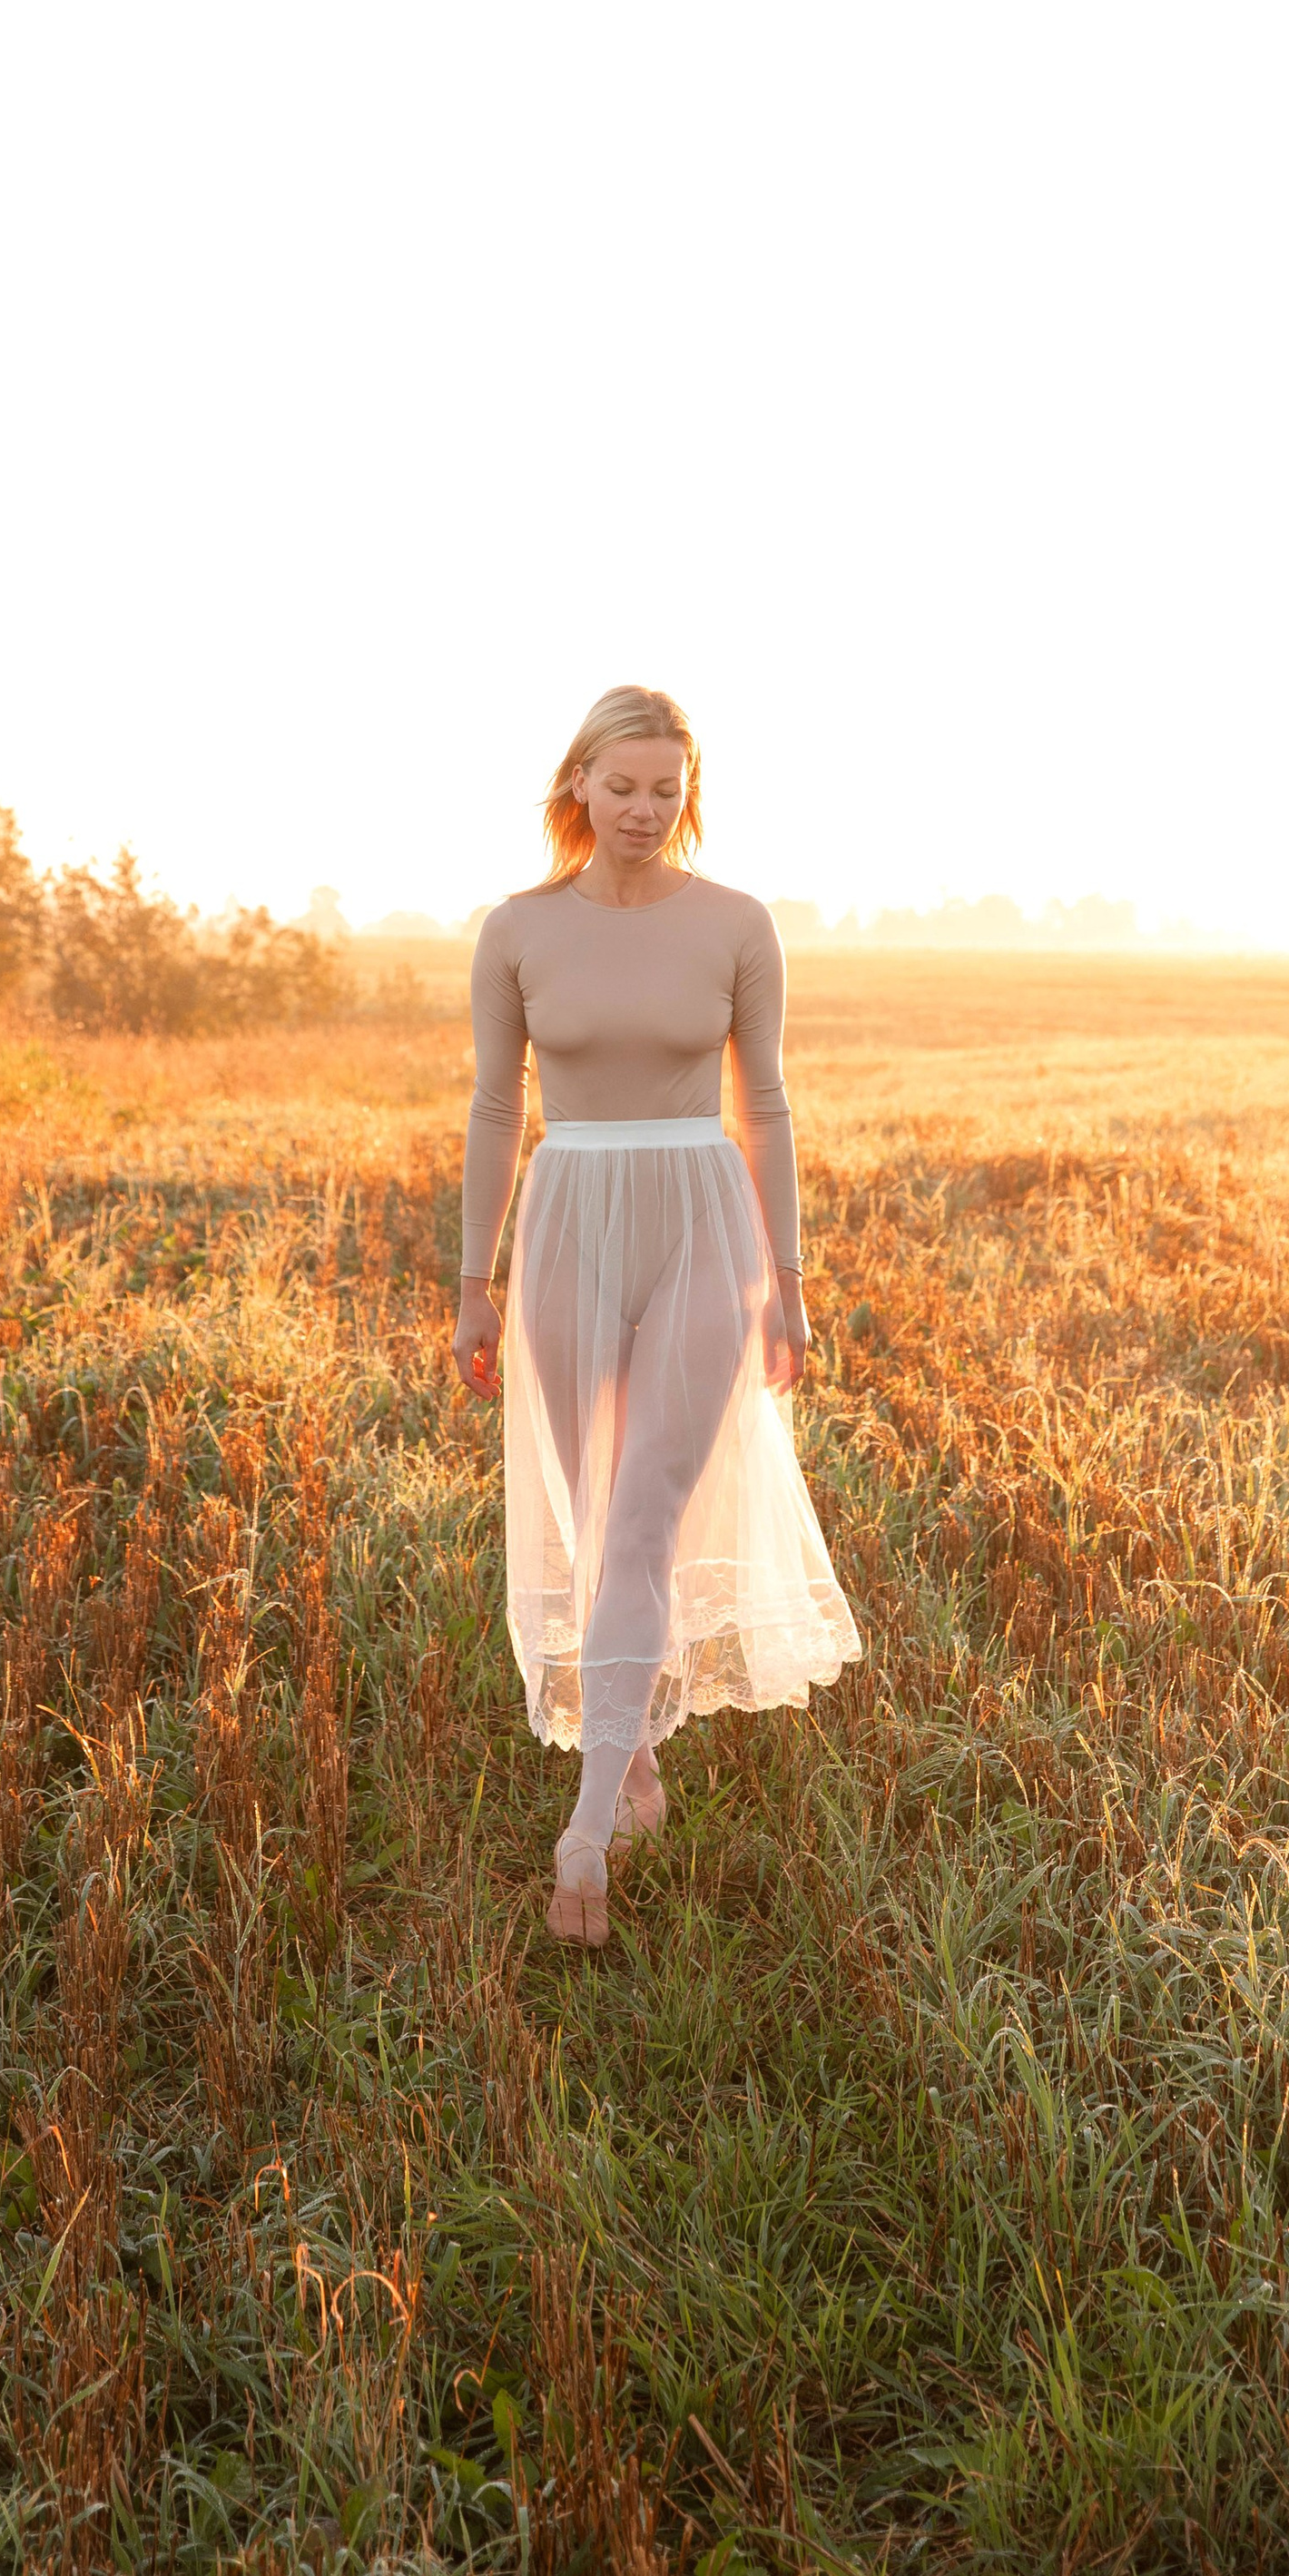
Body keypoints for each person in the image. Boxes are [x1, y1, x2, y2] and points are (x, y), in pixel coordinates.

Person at [454, 684, 861, 1945]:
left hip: (702, 1217)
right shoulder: (516, 931)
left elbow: (771, 1108)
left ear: (690, 797)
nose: (643, 810)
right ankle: (628, 1758)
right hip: (568, 1214)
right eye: (622, 786)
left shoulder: (738, 926)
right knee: (588, 1515)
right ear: (578, 785)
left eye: (666, 791)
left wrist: (789, 1282)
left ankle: (585, 1831)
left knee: (640, 1519)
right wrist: (473, 1283)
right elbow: (487, 1111)